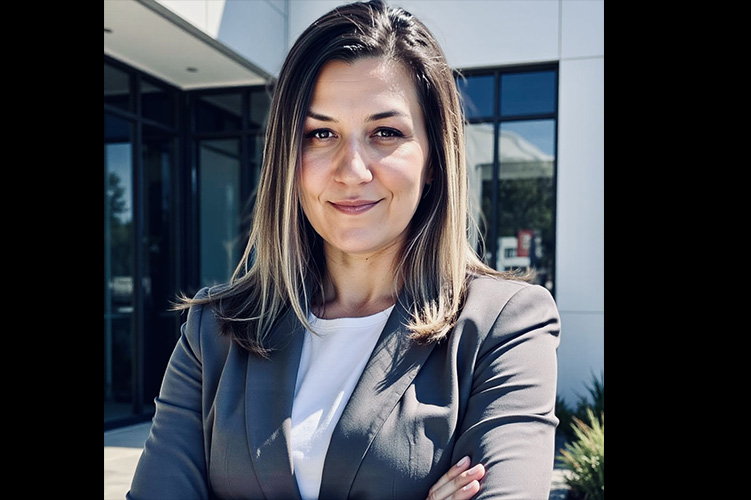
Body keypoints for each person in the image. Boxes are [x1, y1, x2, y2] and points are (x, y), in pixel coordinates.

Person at [127, 1, 561, 499]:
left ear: (435, 158)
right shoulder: (215, 330)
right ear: (289, 159)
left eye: (385, 133)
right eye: (321, 134)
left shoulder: (504, 325)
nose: (351, 170)